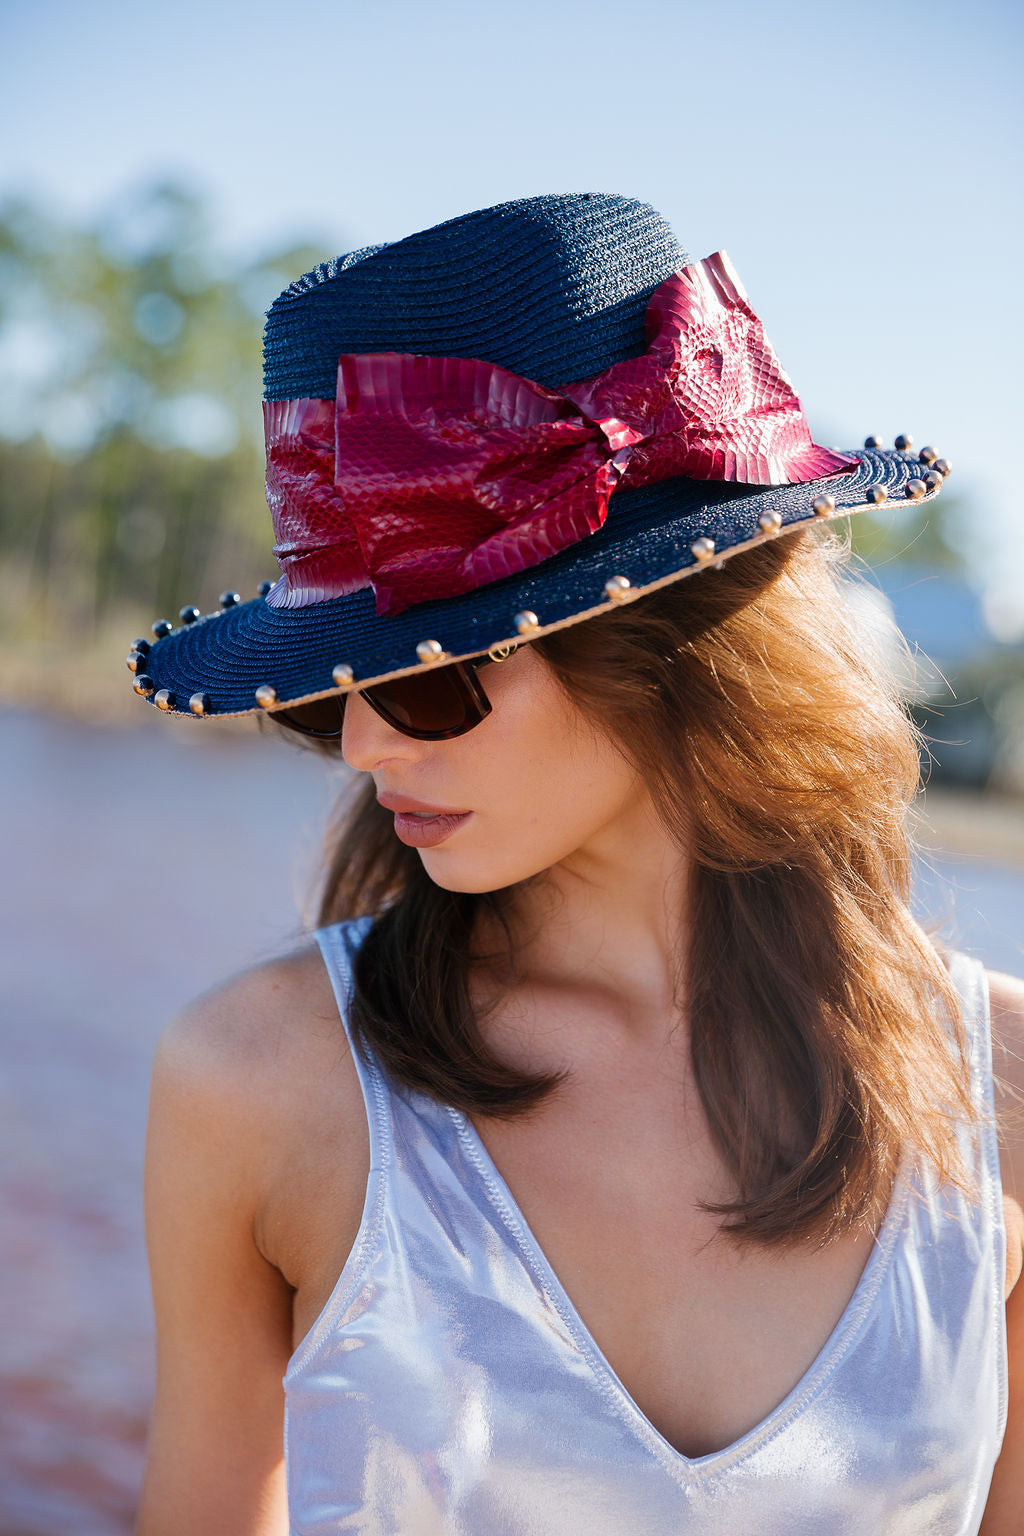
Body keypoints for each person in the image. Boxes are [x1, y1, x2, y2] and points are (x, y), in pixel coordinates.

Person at [131, 194, 1024, 1535]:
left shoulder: (1004, 1089)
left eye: (440, 681)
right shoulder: (258, 1086)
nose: (366, 741)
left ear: (670, 650)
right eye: (334, 690)